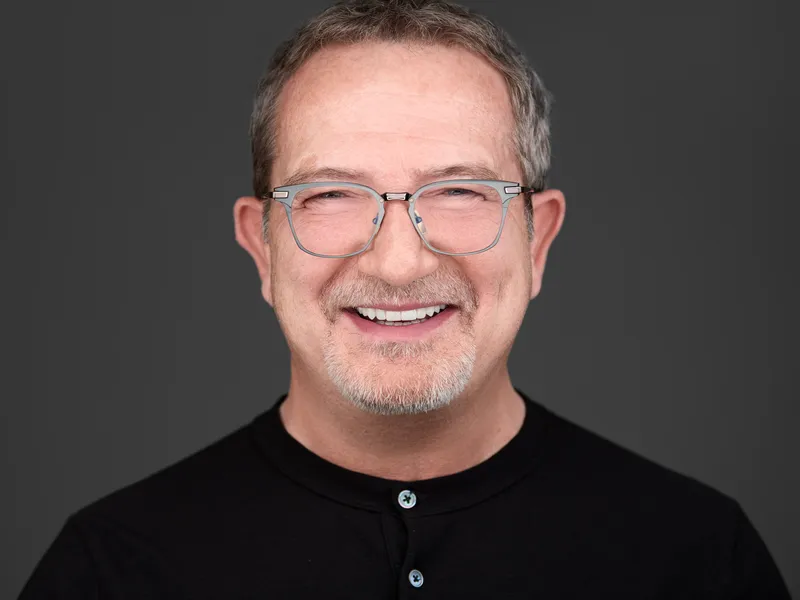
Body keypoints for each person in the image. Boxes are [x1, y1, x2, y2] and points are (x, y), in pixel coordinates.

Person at [19, 0, 791, 597]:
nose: (396, 262)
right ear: (261, 245)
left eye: (458, 191)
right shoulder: (112, 571)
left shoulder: (696, 559)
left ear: (538, 239)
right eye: (330, 195)